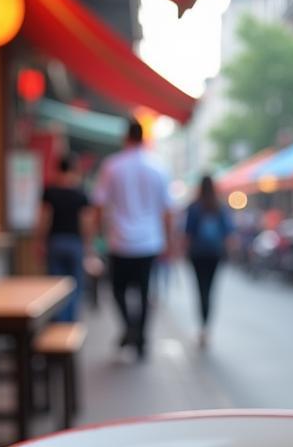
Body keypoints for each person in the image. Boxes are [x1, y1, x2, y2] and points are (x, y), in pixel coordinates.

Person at [92, 118, 174, 359]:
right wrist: (169, 241)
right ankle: (141, 338)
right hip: (150, 242)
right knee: (146, 293)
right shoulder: (158, 167)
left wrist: (99, 234)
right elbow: (167, 210)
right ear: (143, 138)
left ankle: (130, 327)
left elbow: (99, 204)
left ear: (125, 138)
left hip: (119, 241)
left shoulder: (112, 166)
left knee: (118, 290)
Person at [37, 154, 92, 322]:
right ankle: (70, 323)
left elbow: (44, 219)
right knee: (75, 286)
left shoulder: (50, 191)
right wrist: (88, 246)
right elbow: (86, 223)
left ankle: (59, 323)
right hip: (75, 243)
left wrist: (40, 241)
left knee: (55, 286)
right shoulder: (80, 193)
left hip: (55, 242)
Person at [183, 174, 233, 346]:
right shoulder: (220, 207)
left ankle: (202, 327)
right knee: (210, 290)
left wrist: (184, 251)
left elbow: (187, 234)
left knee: (200, 290)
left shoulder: (194, 207)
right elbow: (228, 233)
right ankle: (206, 327)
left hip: (197, 254)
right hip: (214, 254)